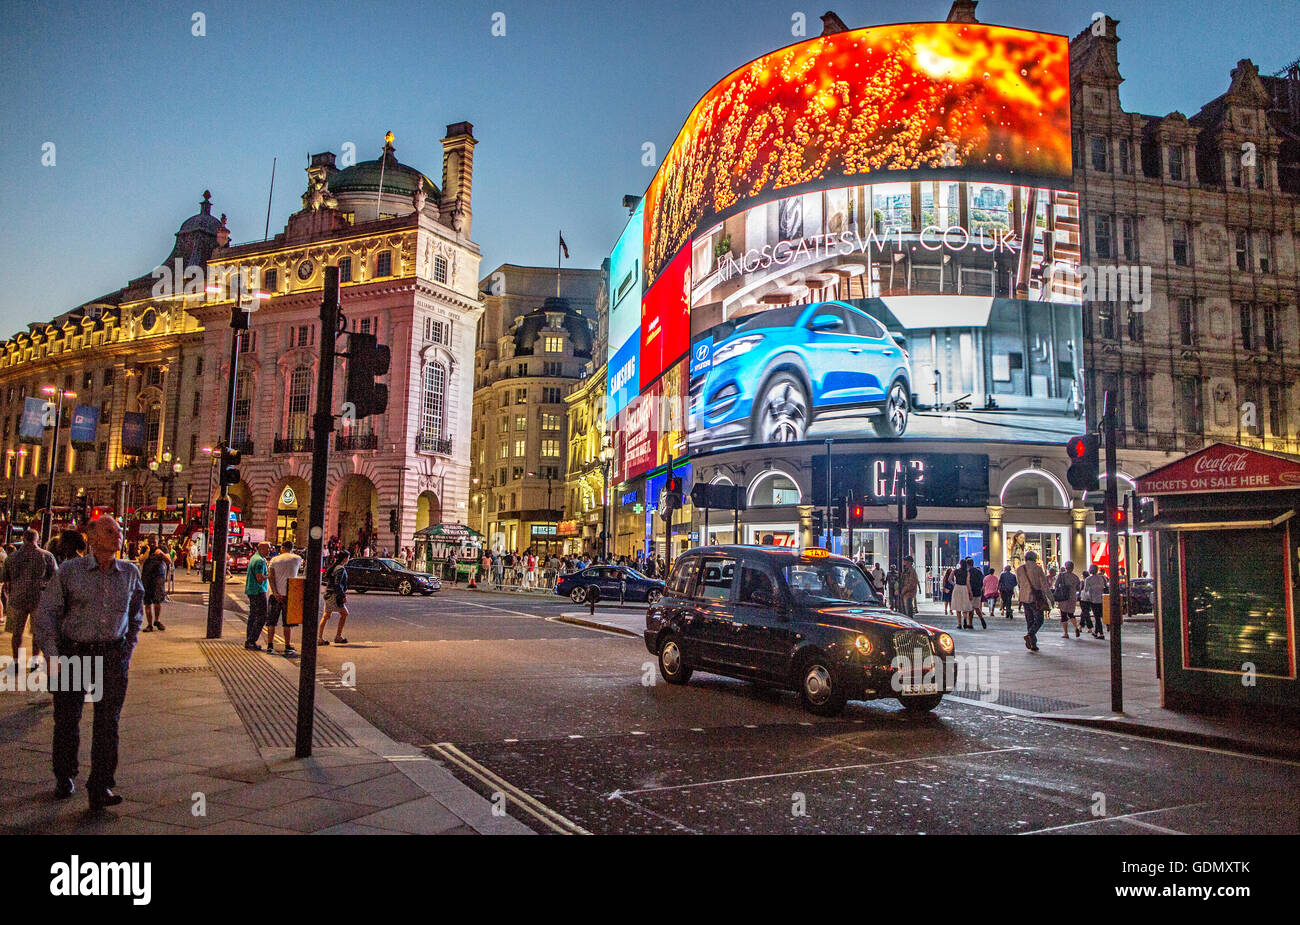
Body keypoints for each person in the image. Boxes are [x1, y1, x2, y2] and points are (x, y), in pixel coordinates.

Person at [34, 515, 143, 811]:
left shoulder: (130, 573)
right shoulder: (70, 571)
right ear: (92, 538)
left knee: (108, 724)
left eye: (118, 531)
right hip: (74, 653)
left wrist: (127, 651)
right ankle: (65, 775)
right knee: (67, 720)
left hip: (111, 656)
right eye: (110, 531)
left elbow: (136, 616)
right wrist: (53, 655)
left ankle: (101, 785)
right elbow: (47, 614)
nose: (117, 535)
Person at [2, 528, 58, 669]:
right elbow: (56, 577)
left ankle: (15, 661)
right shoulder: (47, 556)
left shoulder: (12, 557)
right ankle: (34, 661)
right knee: (37, 633)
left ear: (24, 538)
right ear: (37, 539)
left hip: (17, 598)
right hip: (39, 597)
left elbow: (4, 578)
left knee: (17, 633)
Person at [265, 540, 303, 657]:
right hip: (290, 594)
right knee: (287, 623)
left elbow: (271, 577)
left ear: (282, 548)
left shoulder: (274, 560)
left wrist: (275, 592)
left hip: (275, 595)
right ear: (292, 548)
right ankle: (287, 646)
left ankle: (270, 646)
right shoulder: (297, 559)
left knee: (272, 622)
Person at [1016, 549, 1049, 652]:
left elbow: (1019, 583)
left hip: (1024, 597)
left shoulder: (1019, 569)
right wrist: (1050, 598)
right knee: (1039, 619)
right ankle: (1030, 634)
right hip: (1035, 598)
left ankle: (1033, 643)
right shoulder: (1038, 569)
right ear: (1034, 558)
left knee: (1029, 620)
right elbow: (1044, 585)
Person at [243, 541, 271, 651]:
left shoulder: (255, 557)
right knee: (262, 616)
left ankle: (249, 640)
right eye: (268, 548)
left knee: (253, 615)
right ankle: (252, 640)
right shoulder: (259, 561)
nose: (270, 550)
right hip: (258, 591)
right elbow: (259, 578)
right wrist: (269, 575)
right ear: (261, 549)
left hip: (252, 590)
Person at [319, 549, 350, 646]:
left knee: (326, 615)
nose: (348, 560)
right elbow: (337, 584)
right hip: (334, 596)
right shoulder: (340, 569)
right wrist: (342, 596)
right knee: (344, 614)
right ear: (345, 559)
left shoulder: (335, 567)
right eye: (348, 558)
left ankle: (320, 638)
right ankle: (338, 636)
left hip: (329, 594)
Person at [140, 542, 171, 632]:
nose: (152, 543)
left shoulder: (163, 548)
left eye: (154, 541)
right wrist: (148, 551)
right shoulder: (145, 548)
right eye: (151, 541)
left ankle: (157, 621)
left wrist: (161, 553)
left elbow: (169, 561)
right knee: (147, 602)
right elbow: (141, 560)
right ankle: (149, 625)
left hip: (158, 579)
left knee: (158, 601)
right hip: (146, 578)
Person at [1054, 560, 1083, 638]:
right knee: (1071, 614)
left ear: (1066, 567)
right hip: (1072, 597)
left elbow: (1056, 585)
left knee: (1063, 615)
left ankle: (1066, 633)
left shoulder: (1061, 575)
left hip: (1063, 597)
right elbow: (1078, 588)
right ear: (1073, 568)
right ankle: (1076, 627)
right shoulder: (1076, 577)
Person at [1083, 565, 1108, 639]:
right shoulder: (1102, 578)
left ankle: (1101, 633)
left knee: (1097, 617)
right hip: (1102, 598)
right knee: (1099, 616)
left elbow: (1086, 590)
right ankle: (1096, 632)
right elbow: (1105, 586)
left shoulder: (1088, 579)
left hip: (1093, 600)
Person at [950, 558, 972, 628]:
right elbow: (968, 583)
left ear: (960, 564)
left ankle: (959, 624)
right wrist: (970, 592)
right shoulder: (967, 572)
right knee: (964, 606)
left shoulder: (955, 571)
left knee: (958, 606)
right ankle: (965, 619)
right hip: (964, 588)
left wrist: (954, 584)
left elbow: (949, 579)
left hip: (957, 588)